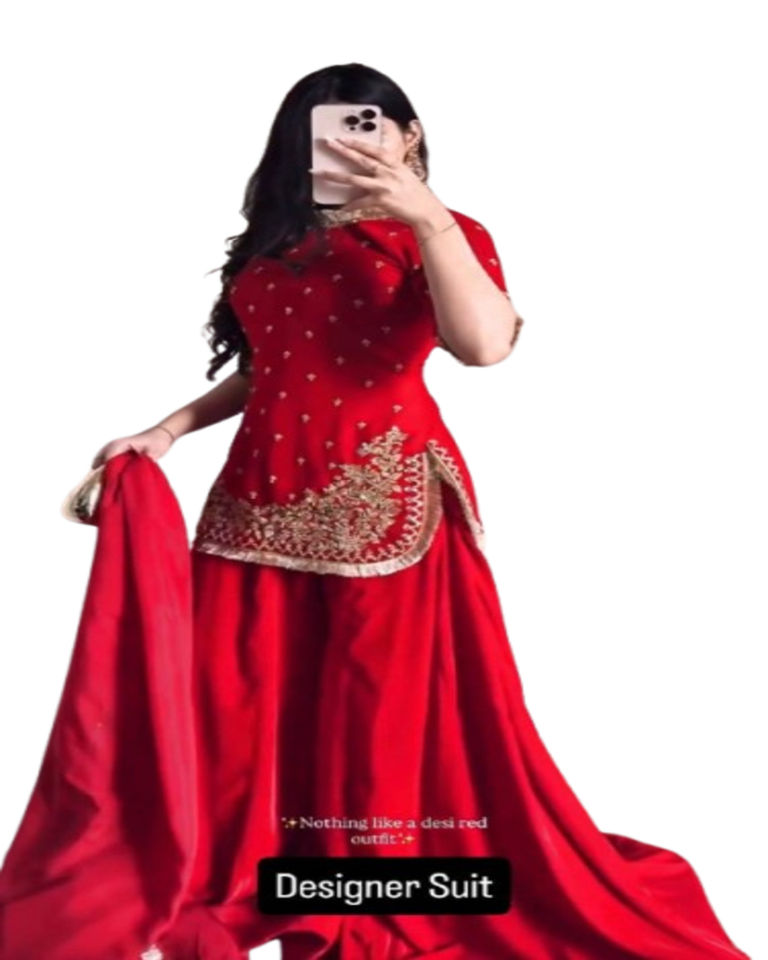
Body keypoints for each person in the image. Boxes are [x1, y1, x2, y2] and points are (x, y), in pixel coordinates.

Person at [0, 63, 751, 960]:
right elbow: (271, 366)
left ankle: (370, 884)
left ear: (409, 132)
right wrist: (165, 431)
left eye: (367, 125)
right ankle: (251, 868)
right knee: (236, 708)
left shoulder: (446, 231)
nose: (345, 145)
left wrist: (426, 217)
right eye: (319, 133)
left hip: (381, 498)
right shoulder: (280, 238)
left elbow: (484, 347)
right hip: (256, 498)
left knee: (375, 714)